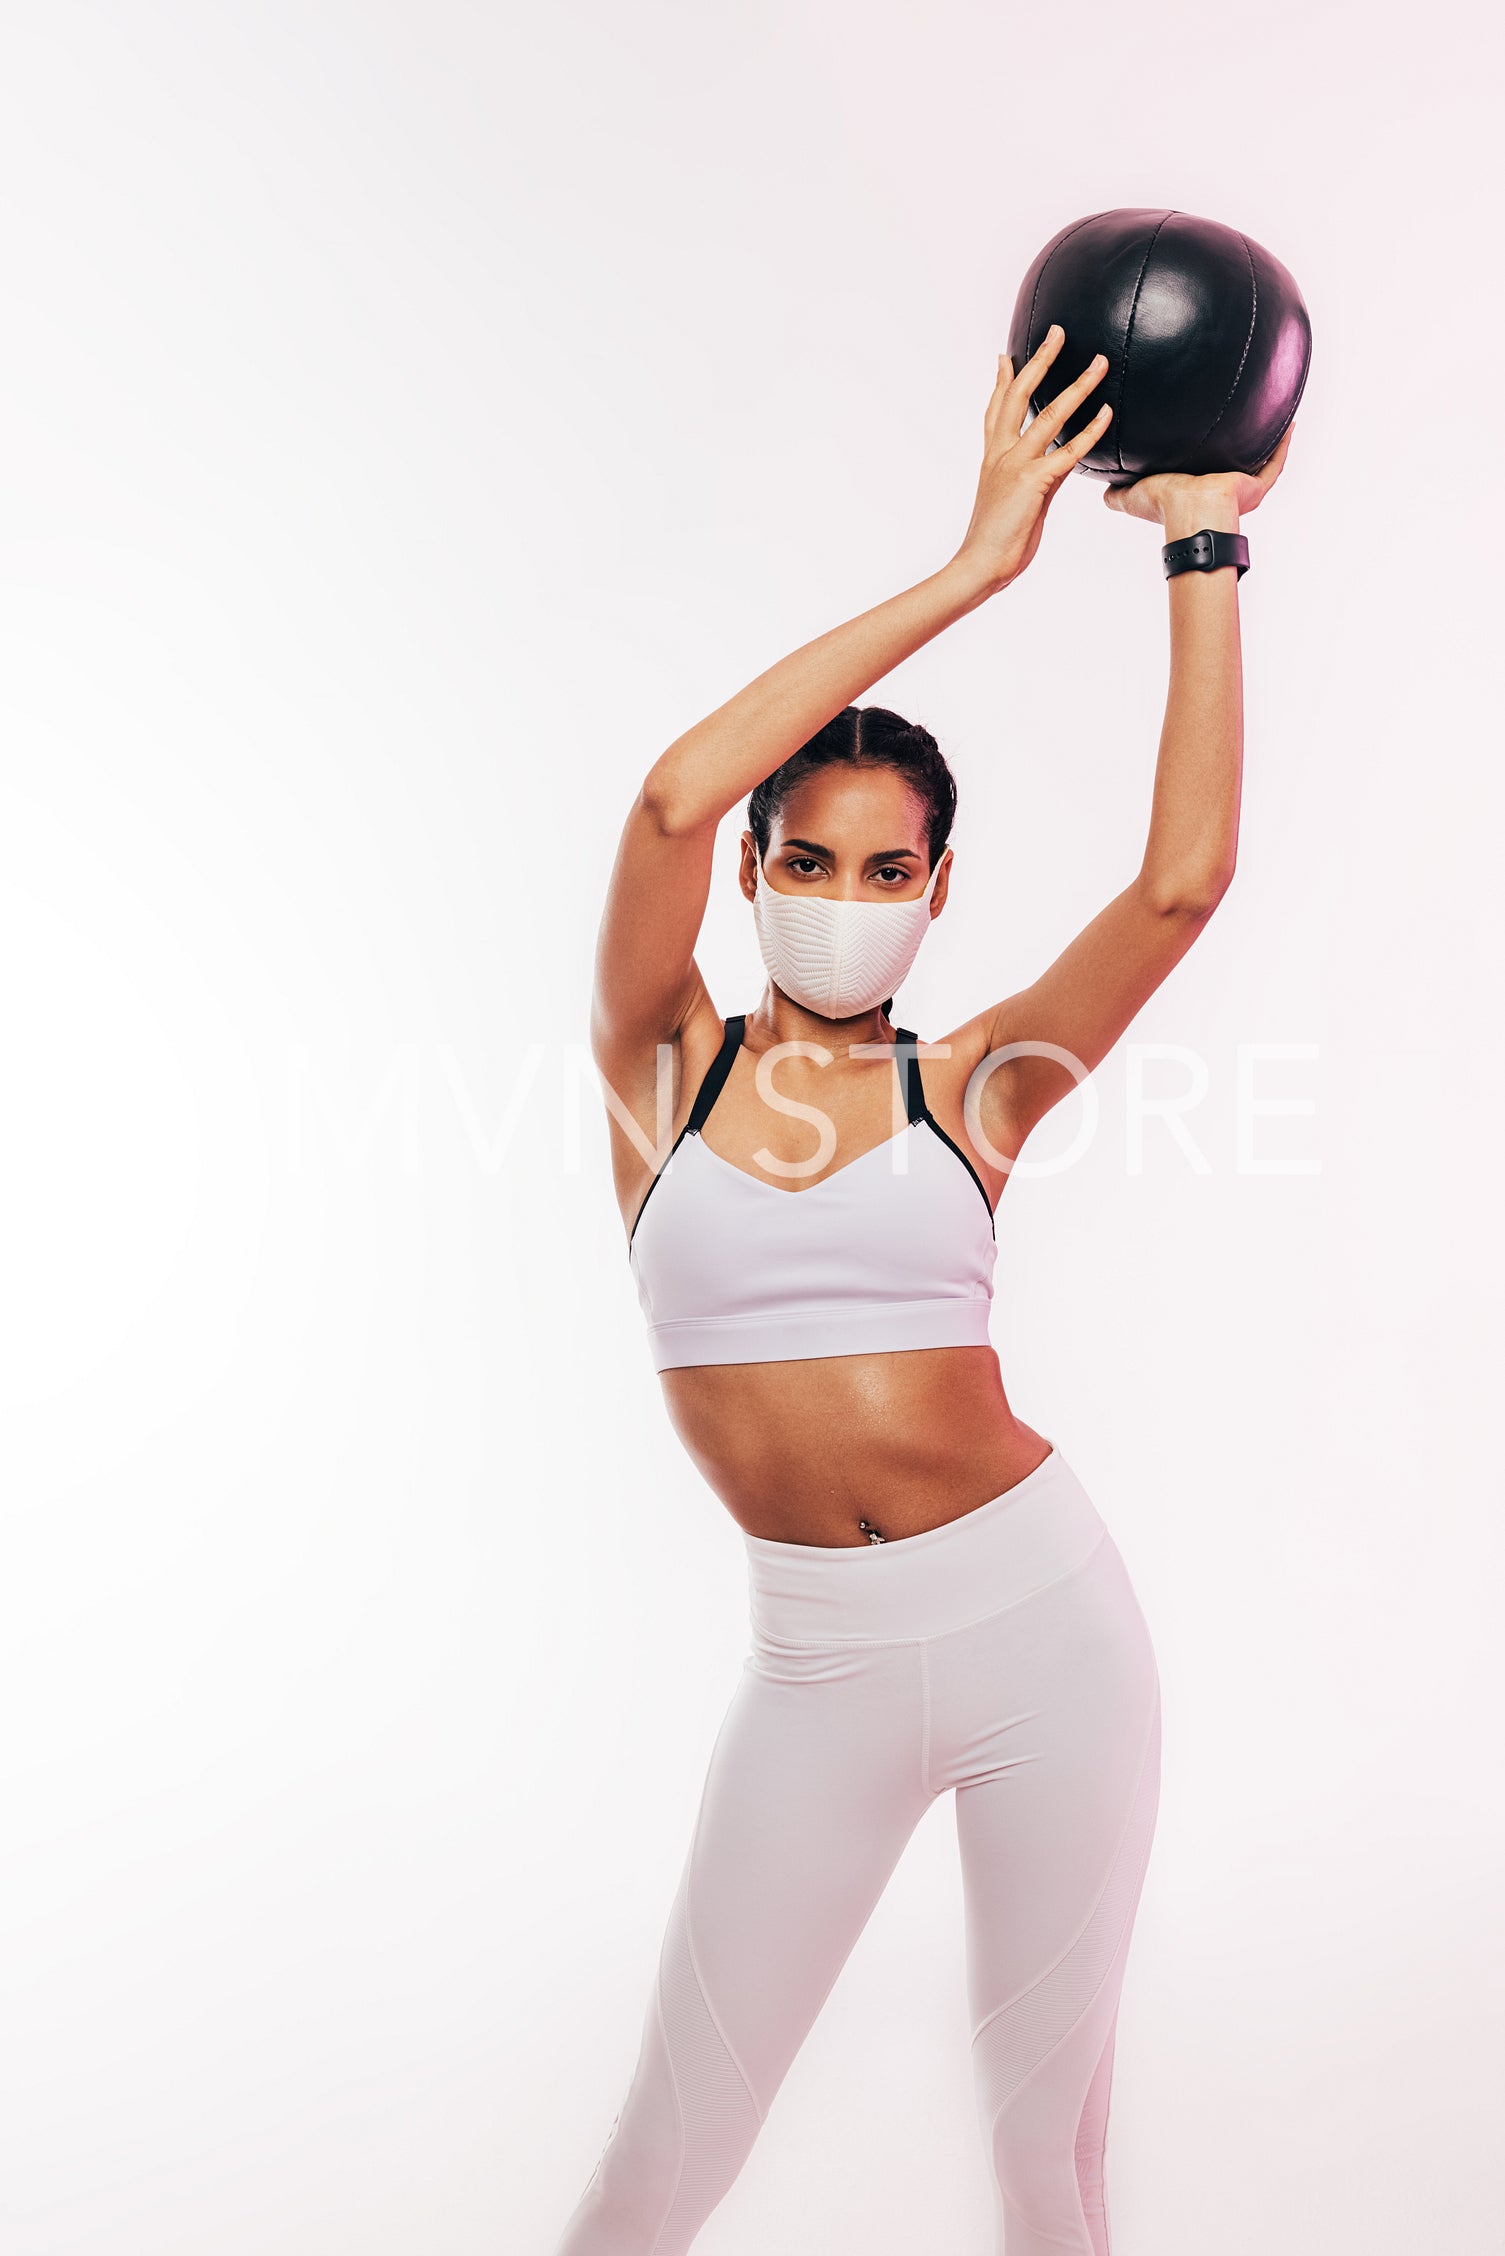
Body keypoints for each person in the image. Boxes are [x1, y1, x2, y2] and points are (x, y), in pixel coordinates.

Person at [556, 326, 1293, 2256]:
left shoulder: (973, 1087)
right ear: (751, 871)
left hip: (1047, 1627)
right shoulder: (661, 1070)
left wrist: (1197, 554)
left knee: (1043, 2166)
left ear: (937, 887)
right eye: (799, 857)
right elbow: (656, 799)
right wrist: (978, 565)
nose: (835, 889)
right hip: (815, 1671)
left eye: (882, 866)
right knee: (660, 2166)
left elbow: (1177, 887)